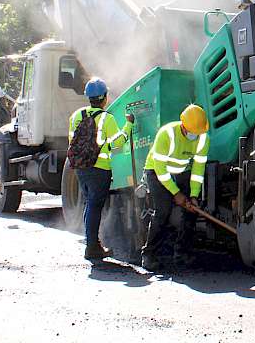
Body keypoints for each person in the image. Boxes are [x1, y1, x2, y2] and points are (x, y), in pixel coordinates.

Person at [68, 77, 135, 260]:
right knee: (95, 206)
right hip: (100, 169)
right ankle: (92, 247)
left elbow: (72, 141)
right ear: (105, 97)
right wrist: (129, 124)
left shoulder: (76, 116)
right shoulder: (107, 118)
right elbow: (118, 143)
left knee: (89, 204)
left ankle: (92, 243)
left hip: (80, 167)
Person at [140, 104, 210, 270]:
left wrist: (193, 195)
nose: (195, 135)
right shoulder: (166, 134)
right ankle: (149, 255)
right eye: (192, 132)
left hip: (181, 171)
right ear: (183, 126)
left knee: (192, 210)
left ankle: (181, 253)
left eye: (198, 132)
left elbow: (198, 170)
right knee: (163, 211)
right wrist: (176, 194)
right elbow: (161, 171)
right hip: (157, 172)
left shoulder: (203, 138)